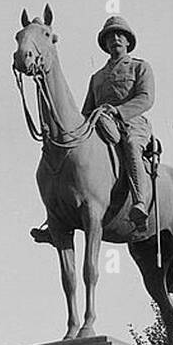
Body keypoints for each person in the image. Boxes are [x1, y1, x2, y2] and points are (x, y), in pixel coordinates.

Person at [31, 14, 155, 243]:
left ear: (128, 41)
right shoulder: (97, 77)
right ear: (105, 44)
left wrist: (118, 111)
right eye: (110, 37)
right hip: (102, 123)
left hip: (132, 123)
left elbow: (146, 98)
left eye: (120, 35)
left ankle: (139, 201)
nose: (115, 39)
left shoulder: (140, 67)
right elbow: (87, 109)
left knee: (130, 145)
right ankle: (55, 217)